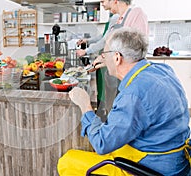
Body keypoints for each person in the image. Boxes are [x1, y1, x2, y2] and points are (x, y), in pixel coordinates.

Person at [58, 28, 191, 175]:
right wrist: (109, 62)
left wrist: (85, 105)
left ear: (117, 58)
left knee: (67, 162)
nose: (103, 56)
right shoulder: (162, 69)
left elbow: (101, 143)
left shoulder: (133, 94)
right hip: (175, 157)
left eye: (105, 53)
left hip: (154, 167)